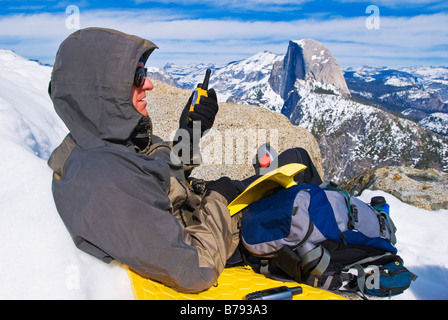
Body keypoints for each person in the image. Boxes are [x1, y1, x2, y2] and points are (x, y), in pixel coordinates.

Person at [48, 27, 322, 294]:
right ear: (102, 90)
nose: (149, 84)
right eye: (137, 76)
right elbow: (194, 268)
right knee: (303, 193)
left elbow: (161, 174)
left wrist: (190, 132)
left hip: (201, 211)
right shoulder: (104, 184)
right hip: (214, 234)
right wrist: (220, 200)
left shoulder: (104, 139)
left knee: (296, 158)